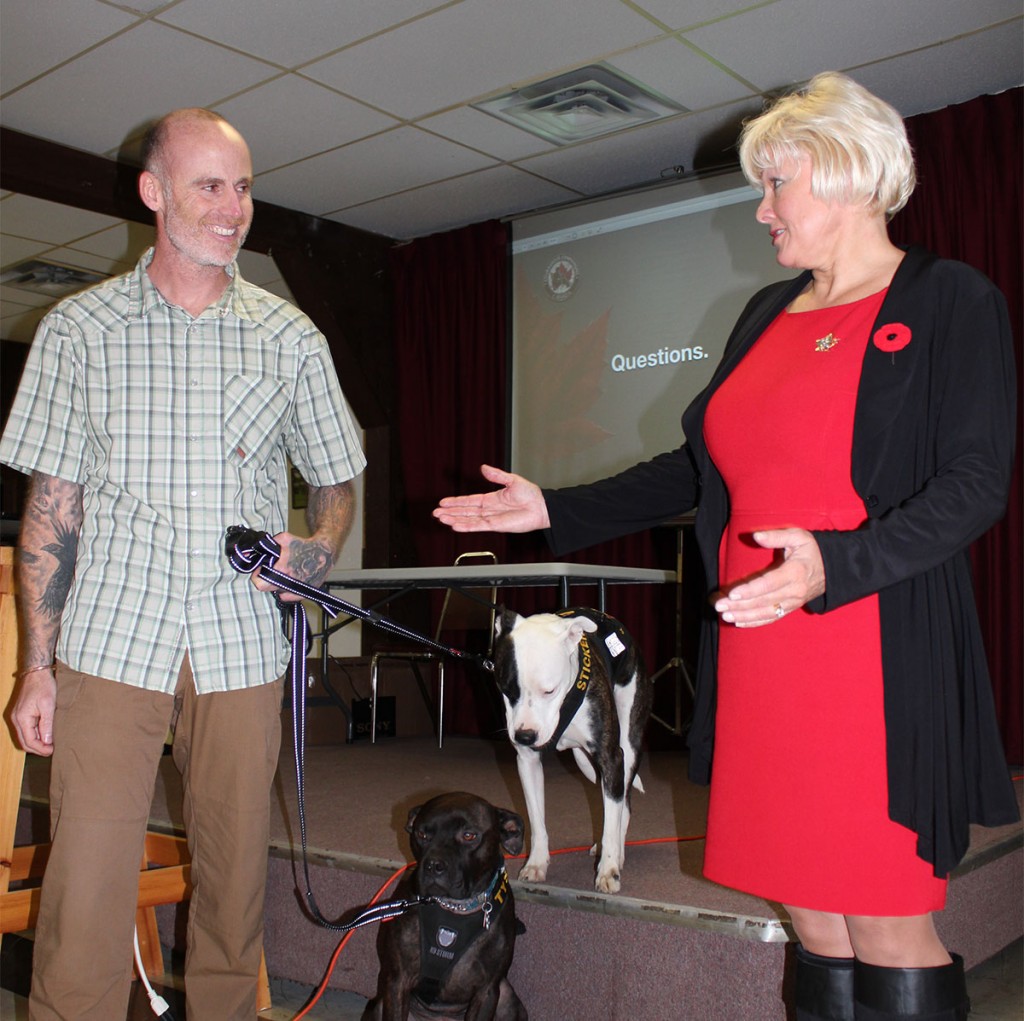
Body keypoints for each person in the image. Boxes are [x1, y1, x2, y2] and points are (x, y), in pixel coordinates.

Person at [433, 73, 1018, 1021]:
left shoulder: (952, 301)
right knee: (812, 913)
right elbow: (696, 469)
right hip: (763, 648)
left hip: (872, 646)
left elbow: (974, 485)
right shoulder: (763, 316)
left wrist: (837, 562)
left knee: (886, 916)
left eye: (774, 183)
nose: (761, 210)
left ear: (845, 173)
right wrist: (553, 506)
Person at [0, 108, 366, 1020]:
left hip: (240, 645)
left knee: (234, 886)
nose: (232, 207)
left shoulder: (291, 339)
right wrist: (34, 666)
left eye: (243, 186)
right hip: (110, 641)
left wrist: (317, 550)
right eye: (209, 184)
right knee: (83, 889)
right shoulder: (77, 330)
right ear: (154, 192)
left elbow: (337, 481)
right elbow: (51, 509)